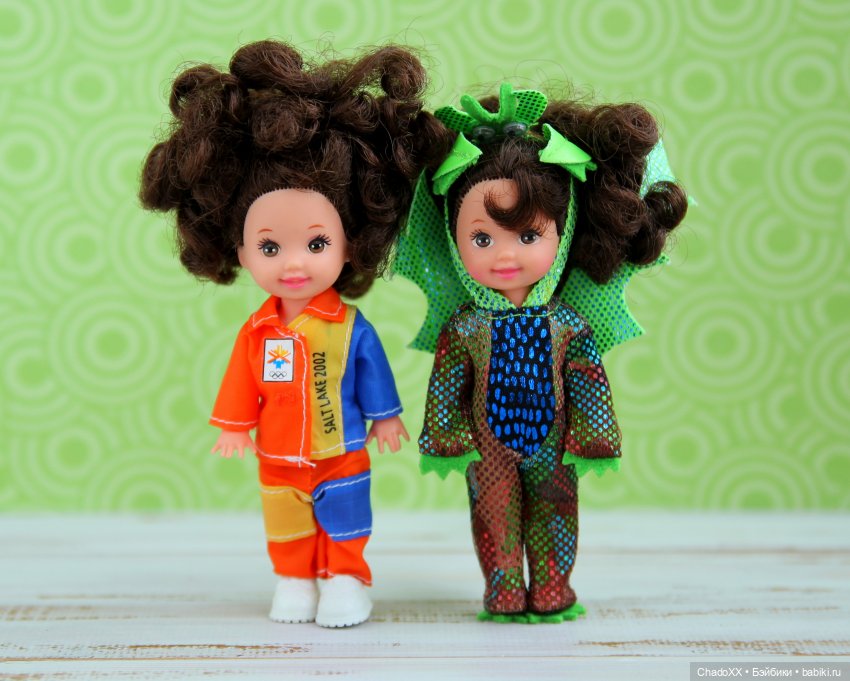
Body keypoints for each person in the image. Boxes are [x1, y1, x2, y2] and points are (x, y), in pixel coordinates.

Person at [139, 39, 447, 627]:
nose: (294, 264)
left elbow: (372, 374)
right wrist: (234, 426)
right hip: (278, 453)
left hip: (341, 450)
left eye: (317, 242)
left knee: (346, 520)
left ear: (351, 244)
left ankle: (345, 580)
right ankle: (295, 581)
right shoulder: (257, 332)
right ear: (239, 252)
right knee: (285, 523)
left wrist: (385, 417)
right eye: (270, 247)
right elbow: (241, 384)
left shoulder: (350, 327)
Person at [395, 83, 688, 621]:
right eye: (482, 238)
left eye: (528, 236)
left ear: (563, 231)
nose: (505, 255)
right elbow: (448, 383)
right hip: (487, 447)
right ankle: (504, 586)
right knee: (493, 513)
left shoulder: (568, 324)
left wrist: (594, 433)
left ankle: (553, 585)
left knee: (556, 510)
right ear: (452, 236)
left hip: (553, 443)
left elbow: (588, 380)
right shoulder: (465, 327)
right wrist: (445, 434)